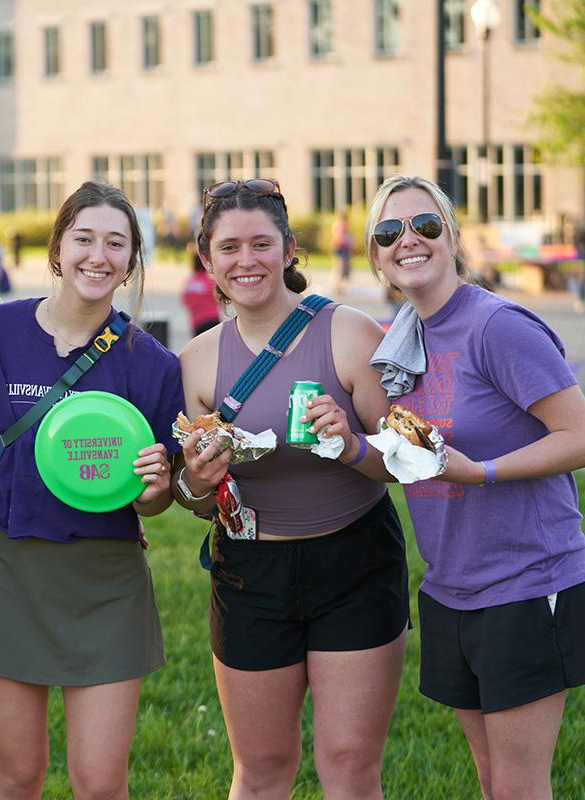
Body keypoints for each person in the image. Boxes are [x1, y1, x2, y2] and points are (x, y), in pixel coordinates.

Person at [174, 178, 409, 799]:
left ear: (289, 249)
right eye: (228, 248)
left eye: (260, 244)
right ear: (208, 259)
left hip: (354, 560)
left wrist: (350, 442)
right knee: (262, 769)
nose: (245, 261)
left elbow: (402, 462)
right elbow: (197, 502)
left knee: (351, 766)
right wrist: (198, 482)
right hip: (252, 572)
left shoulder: (350, 333)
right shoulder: (196, 361)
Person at [0, 181, 183, 800]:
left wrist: (154, 489)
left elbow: (157, 500)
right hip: (8, 571)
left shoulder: (154, 364)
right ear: (58, 248)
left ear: (131, 260)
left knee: (100, 782)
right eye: (84, 238)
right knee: (16, 773)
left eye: (116, 243)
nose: (98, 256)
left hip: (106, 584)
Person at [363, 174, 585, 800]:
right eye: (389, 231)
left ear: (453, 238)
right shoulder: (405, 340)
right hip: (450, 587)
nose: (409, 240)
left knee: (518, 786)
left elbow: (579, 434)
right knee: (491, 781)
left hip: (524, 582)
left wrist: (480, 471)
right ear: (376, 254)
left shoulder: (497, 326)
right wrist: (347, 442)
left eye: (425, 225)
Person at [180, 245, 220, 337]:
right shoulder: (210, 282)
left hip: (196, 322)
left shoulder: (189, 283)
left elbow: (185, 301)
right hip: (212, 320)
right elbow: (219, 298)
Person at [329, 211, 353, 295]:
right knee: (340, 268)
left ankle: (339, 286)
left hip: (342, 248)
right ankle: (337, 286)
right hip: (340, 248)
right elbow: (339, 237)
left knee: (342, 268)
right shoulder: (340, 225)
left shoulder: (341, 225)